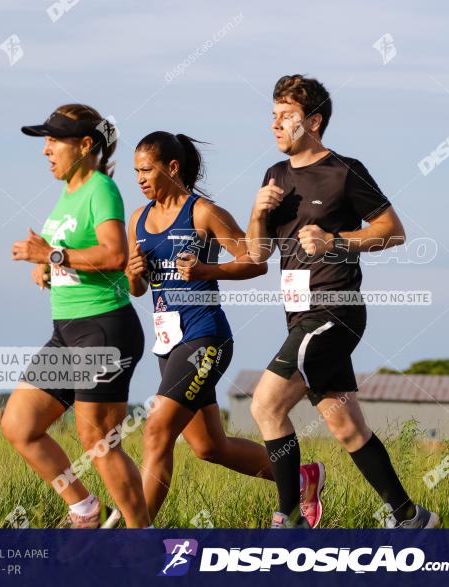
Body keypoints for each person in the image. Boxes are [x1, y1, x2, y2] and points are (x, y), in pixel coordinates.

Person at [245, 74, 439, 528]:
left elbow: (393, 232)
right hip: (299, 315)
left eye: (285, 116)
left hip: (334, 310)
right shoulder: (275, 176)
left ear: (313, 121)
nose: (274, 125)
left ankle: (288, 519)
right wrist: (256, 213)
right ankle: (411, 517)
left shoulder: (344, 171)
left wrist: (335, 242)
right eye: (271, 115)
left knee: (266, 406)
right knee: (346, 425)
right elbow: (257, 254)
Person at [126, 131, 326, 527]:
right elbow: (137, 288)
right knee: (208, 447)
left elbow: (255, 261)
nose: (140, 179)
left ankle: (135, 537)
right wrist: (133, 275)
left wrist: (206, 270)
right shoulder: (139, 218)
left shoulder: (202, 213)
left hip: (206, 337)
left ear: (172, 167)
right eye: (136, 172)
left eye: (146, 170)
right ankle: (302, 478)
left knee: (156, 431)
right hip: (169, 344)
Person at [3, 104, 150, 528]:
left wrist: (51, 253)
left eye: (54, 141)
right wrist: (48, 266)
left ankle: (145, 542)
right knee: (19, 424)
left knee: (99, 442)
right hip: (67, 331)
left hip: (103, 328)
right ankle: (85, 510)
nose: (46, 150)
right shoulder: (69, 192)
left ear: (86, 145)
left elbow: (114, 253)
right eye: (44, 141)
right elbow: (74, 252)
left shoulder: (101, 188)